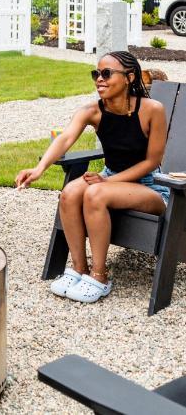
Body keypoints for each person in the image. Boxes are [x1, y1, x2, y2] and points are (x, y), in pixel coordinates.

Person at [15, 50, 168, 304]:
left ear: (130, 77)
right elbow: (64, 139)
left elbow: (151, 162)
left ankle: (99, 276)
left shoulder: (152, 110)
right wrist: (38, 169)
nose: (100, 79)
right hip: (110, 179)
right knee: (70, 193)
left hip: (150, 186)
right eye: (96, 74)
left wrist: (108, 182)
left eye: (107, 73)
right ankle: (78, 269)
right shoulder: (92, 111)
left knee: (95, 193)